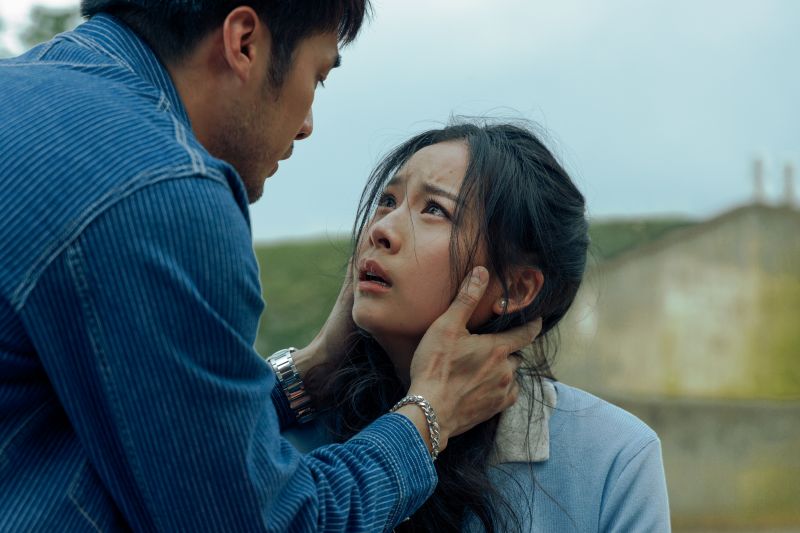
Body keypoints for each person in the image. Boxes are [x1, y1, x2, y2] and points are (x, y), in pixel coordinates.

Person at [0, 2, 537, 531]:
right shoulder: (161, 192)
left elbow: (162, 439)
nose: (306, 125)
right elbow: (268, 521)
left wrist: (310, 370)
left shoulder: (27, 91)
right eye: (318, 76)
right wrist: (429, 414)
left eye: (434, 210)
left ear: (519, 287)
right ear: (244, 43)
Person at [284, 121, 672, 531]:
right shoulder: (291, 430)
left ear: (516, 288)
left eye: (435, 210)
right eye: (387, 200)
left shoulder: (614, 457)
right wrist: (314, 364)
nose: (381, 230)